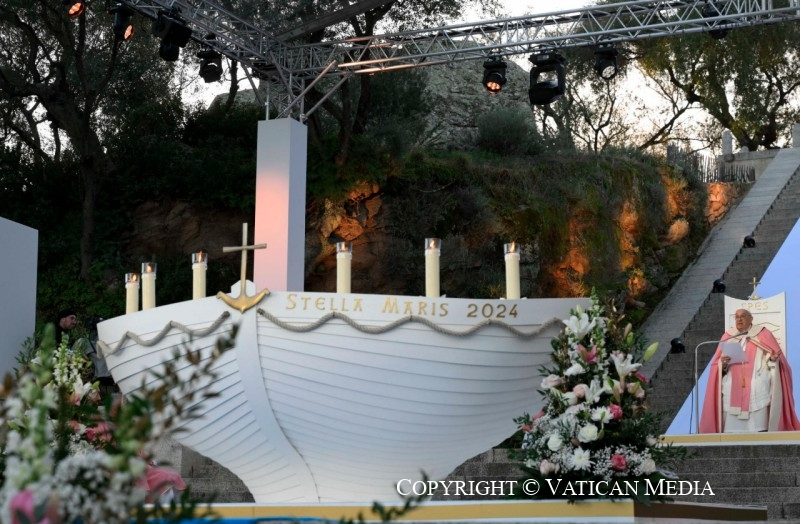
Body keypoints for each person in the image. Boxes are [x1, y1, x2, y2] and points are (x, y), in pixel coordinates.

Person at [700, 309, 799, 433]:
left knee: (758, 384)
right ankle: (732, 430)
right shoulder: (728, 336)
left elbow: (774, 356)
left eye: (743, 316)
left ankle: (759, 428)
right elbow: (717, 364)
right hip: (733, 378)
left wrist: (773, 359)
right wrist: (723, 363)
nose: (739, 319)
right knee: (729, 385)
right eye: (737, 317)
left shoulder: (763, 333)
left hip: (758, 375)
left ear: (751, 319)